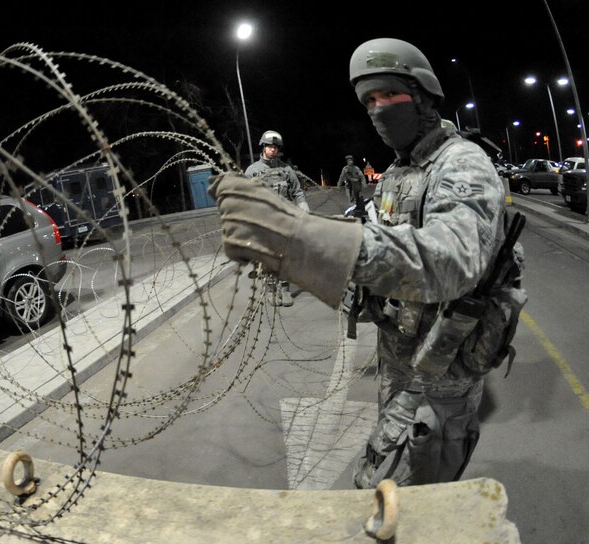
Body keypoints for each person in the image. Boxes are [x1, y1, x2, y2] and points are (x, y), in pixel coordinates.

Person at [209, 38, 510, 489]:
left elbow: (455, 260)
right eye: (369, 100)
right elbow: (380, 251)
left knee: (399, 497)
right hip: (399, 361)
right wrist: (297, 255)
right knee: (383, 486)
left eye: (389, 95)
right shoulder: (397, 174)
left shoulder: (461, 163)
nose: (378, 109)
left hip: (441, 377)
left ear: (424, 94)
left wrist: (311, 241)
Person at [244, 130, 309, 307]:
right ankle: (270, 289)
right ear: (263, 147)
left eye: (275, 147)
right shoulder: (252, 171)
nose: (272, 150)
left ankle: (285, 289)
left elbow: (297, 191)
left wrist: (303, 205)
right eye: (269, 146)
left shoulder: (286, 170)